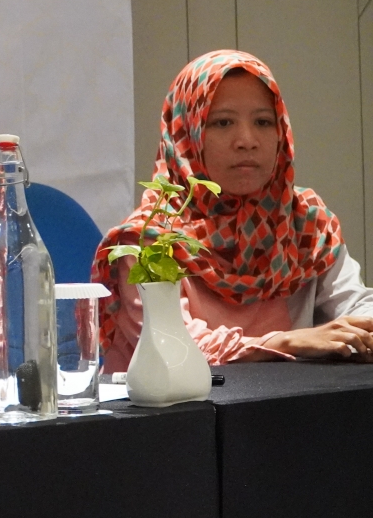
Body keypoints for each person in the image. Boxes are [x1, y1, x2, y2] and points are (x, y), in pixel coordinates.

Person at [95, 49, 373, 371]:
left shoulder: (305, 222)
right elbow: (173, 347)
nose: (247, 140)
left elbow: (356, 304)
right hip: (178, 403)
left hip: (289, 401)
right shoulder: (151, 237)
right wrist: (285, 342)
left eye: (263, 122)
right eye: (223, 122)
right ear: (186, 134)